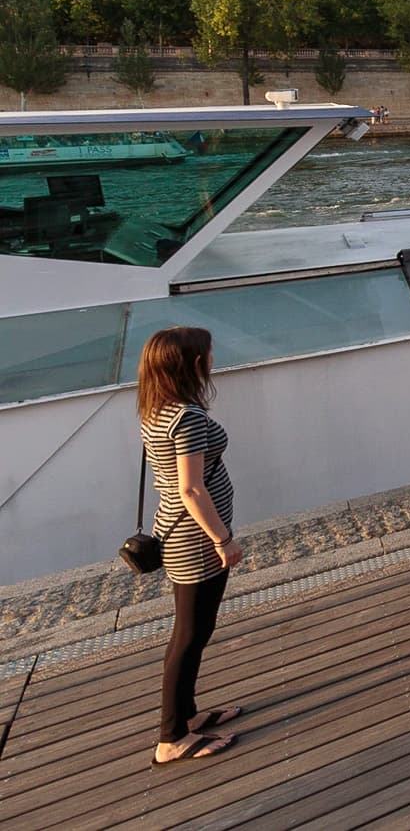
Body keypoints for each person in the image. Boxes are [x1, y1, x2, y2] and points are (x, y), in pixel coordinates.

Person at [139, 327, 244, 765]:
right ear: (193, 364)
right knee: (189, 634)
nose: (213, 358)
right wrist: (223, 540)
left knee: (193, 631)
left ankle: (186, 715)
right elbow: (191, 489)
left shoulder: (156, 410)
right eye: (208, 353)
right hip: (195, 539)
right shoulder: (186, 417)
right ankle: (171, 738)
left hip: (177, 532)